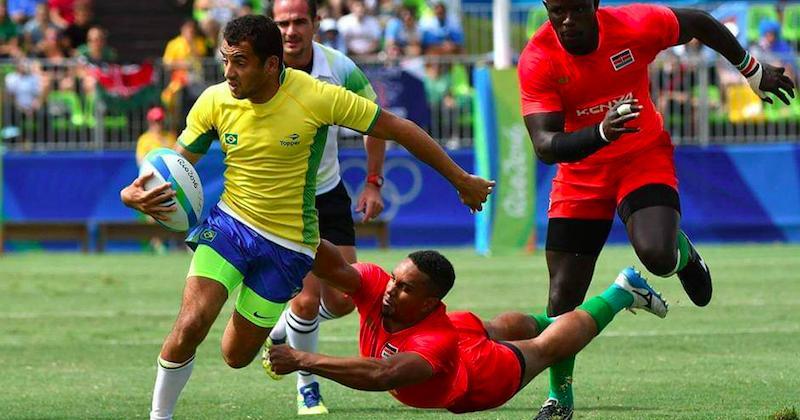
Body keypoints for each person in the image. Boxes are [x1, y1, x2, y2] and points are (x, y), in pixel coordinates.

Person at [118, 15, 492, 420]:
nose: (228, 72)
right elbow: (175, 167)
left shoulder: (317, 96)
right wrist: (135, 192)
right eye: (225, 60)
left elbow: (398, 128)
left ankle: (281, 323)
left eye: (240, 61)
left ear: (271, 65)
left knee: (235, 356)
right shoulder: (213, 100)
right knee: (192, 322)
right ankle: (160, 415)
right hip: (229, 226)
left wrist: (461, 178)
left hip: (289, 247)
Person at [517, 1, 796, 418]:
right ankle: (560, 398)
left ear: (594, 4)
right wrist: (600, 132)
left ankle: (681, 253)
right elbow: (545, 146)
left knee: (657, 255)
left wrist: (753, 70)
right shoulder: (538, 57)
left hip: (641, 157)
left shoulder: (634, 24)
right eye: (557, 11)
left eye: (576, 9)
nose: (567, 21)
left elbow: (700, 21)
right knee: (562, 295)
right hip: (581, 174)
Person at [267, 239, 667, 414]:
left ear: (429, 303)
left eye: (404, 288)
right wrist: (291, 227)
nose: (390, 290)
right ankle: (549, 317)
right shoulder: (379, 287)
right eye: (394, 277)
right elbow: (334, 266)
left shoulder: (434, 343)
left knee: (546, 348)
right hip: (455, 333)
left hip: (480, 378)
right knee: (490, 325)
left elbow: (382, 374)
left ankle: (620, 291)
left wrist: (304, 358)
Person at [261, 0, 387, 414]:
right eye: (282, 22)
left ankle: (282, 332)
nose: (291, 30)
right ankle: (306, 385)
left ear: (317, 22)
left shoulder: (340, 68)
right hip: (280, 201)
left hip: (328, 194)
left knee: (343, 299)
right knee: (305, 300)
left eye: (299, 21)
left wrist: (372, 183)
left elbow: (376, 122)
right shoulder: (259, 68)